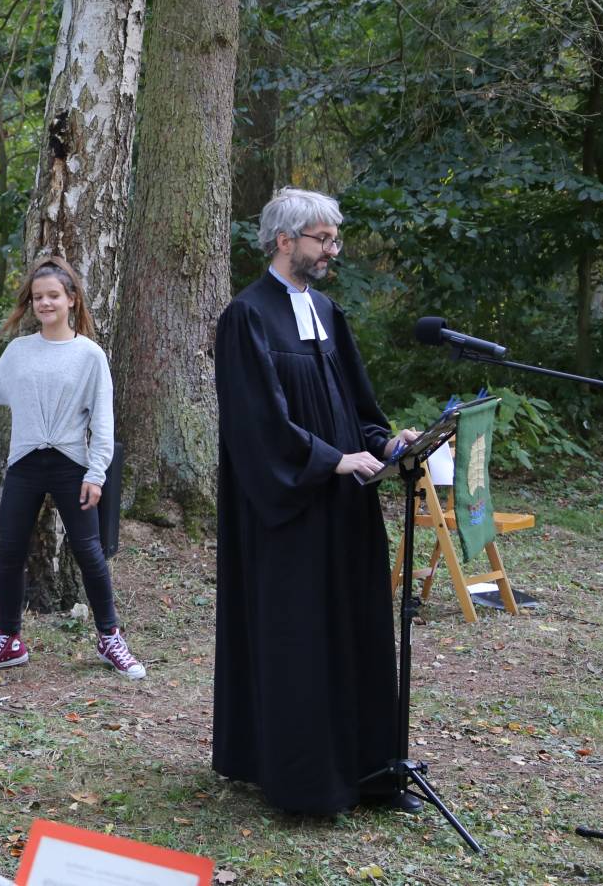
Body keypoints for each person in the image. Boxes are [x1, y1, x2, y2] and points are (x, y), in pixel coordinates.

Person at [211, 188, 420, 816]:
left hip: (346, 509)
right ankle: (307, 784)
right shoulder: (246, 317)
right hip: (290, 514)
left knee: (357, 631)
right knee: (301, 640)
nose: (333, 250)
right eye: (322, 239)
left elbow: (356, 405)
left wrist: (386, 442)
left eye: (334, 239)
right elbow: (257, 425)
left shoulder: (326, 310)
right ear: (285, 240)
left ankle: (370, 771)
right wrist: (331, 460)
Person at [0, 255, 145, 679]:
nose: (45, 303)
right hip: (25, 464)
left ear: (71, 299)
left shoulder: (90, 355)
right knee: (10, 551)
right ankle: (9, 641)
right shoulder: (20, 351)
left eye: (53, 295)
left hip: (72, 464)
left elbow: (103, 421)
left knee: (89, 552)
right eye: (38, 297)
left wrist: (96, 472)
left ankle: (110, 638)